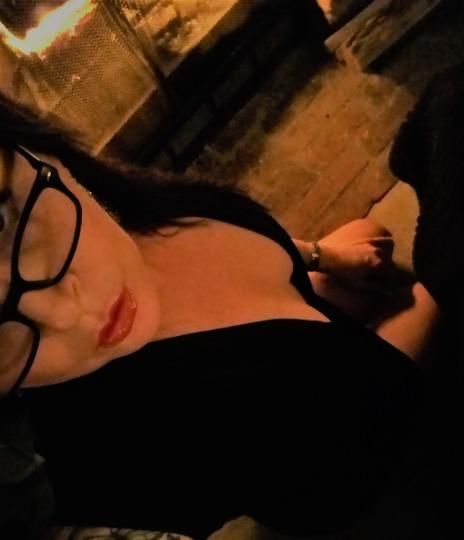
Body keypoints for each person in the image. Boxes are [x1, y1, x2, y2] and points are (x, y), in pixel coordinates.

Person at [0, 66, 448, 539]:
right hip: (369, 445)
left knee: (368, 235)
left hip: (316, 360)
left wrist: (323, 256)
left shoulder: (122, 203)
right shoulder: (93, 456)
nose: (67, 313)